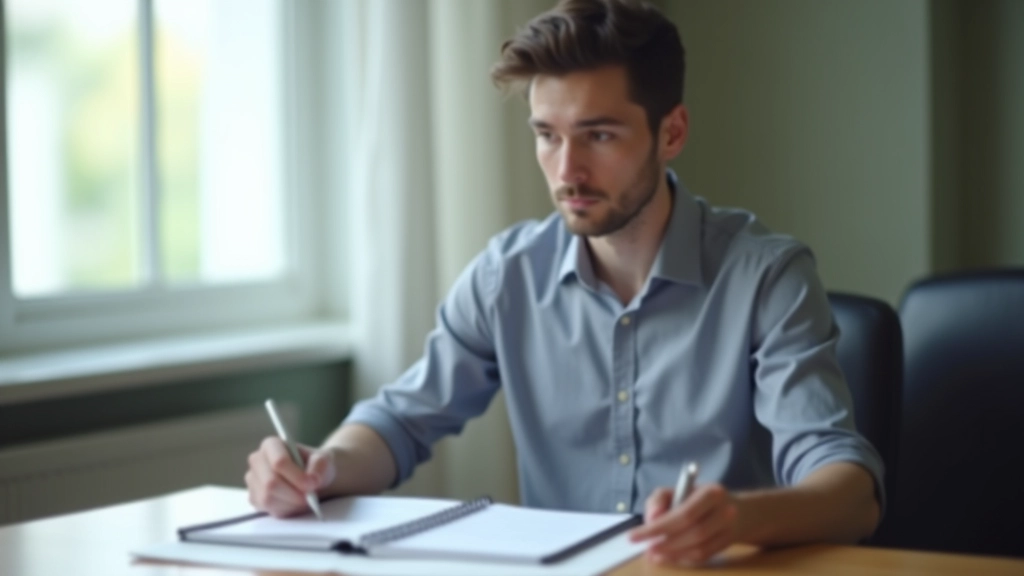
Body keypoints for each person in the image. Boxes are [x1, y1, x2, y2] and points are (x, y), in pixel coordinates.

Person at [245, 0, 883, 566]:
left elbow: (851, 493)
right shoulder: (507, 274)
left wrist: (736, 519)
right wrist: (320, 469)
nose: (567, 170)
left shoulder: (766, 276)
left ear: (672, 133)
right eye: (546, 136)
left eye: (598, 135)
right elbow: (399, 422)